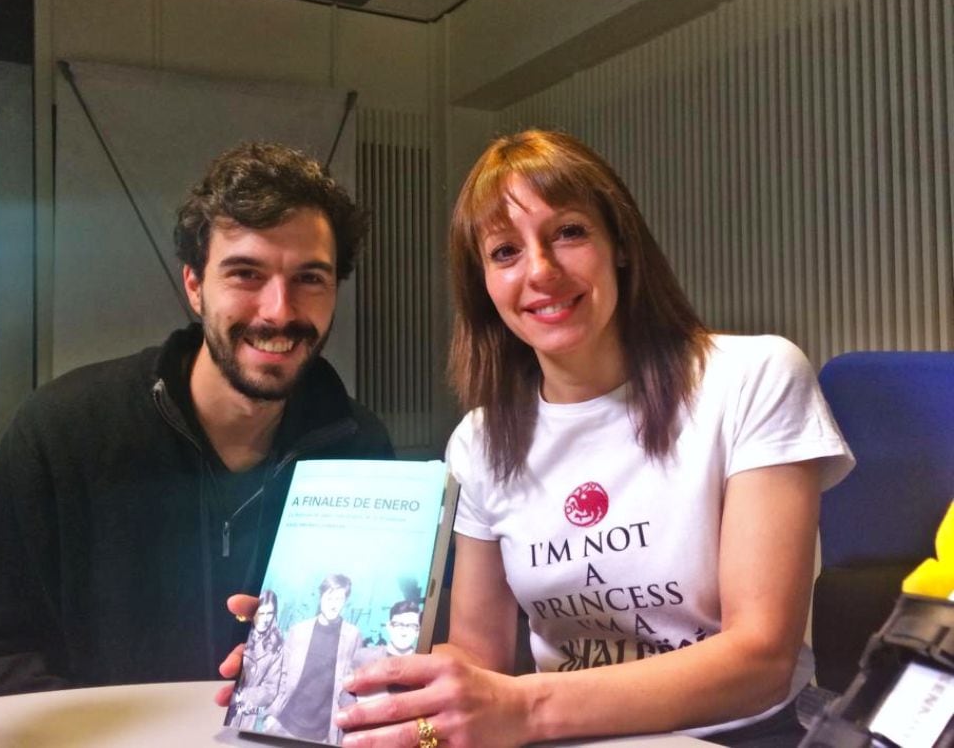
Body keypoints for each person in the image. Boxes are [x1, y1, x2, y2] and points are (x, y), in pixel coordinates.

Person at [332, 130, 854, 747]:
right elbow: (480, 657)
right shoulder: (478, 440)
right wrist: (343, 681)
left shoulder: (754, 377)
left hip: (738, 735)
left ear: (621, 245)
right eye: (504, 252)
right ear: (484, 285)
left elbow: (760, 661)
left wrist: (525, 709)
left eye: (570, 233)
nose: (541, 272)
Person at [0, 142, 393, 701]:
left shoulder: (359, 447)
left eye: (310, 278)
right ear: (194, 286)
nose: (279, 310)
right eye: (246, 273)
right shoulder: (64, 429)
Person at [263, 574, 362, 744]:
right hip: (285, 724)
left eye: (339, 598)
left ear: (345, 601)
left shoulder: (353, 636)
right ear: (320, 597)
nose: (333, 604)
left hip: (323, 733)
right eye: (329, 597)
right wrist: (272, 714)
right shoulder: (298, 631)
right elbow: (281, 675)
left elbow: (352, 685)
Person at [227, 589, 284, 729]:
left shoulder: (277, 646)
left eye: (269, 613)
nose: (265, 619)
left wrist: (241, 696)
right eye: (261, 613)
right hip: (225, 711)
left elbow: (270, 689)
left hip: (248, 718)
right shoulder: (241, 633)